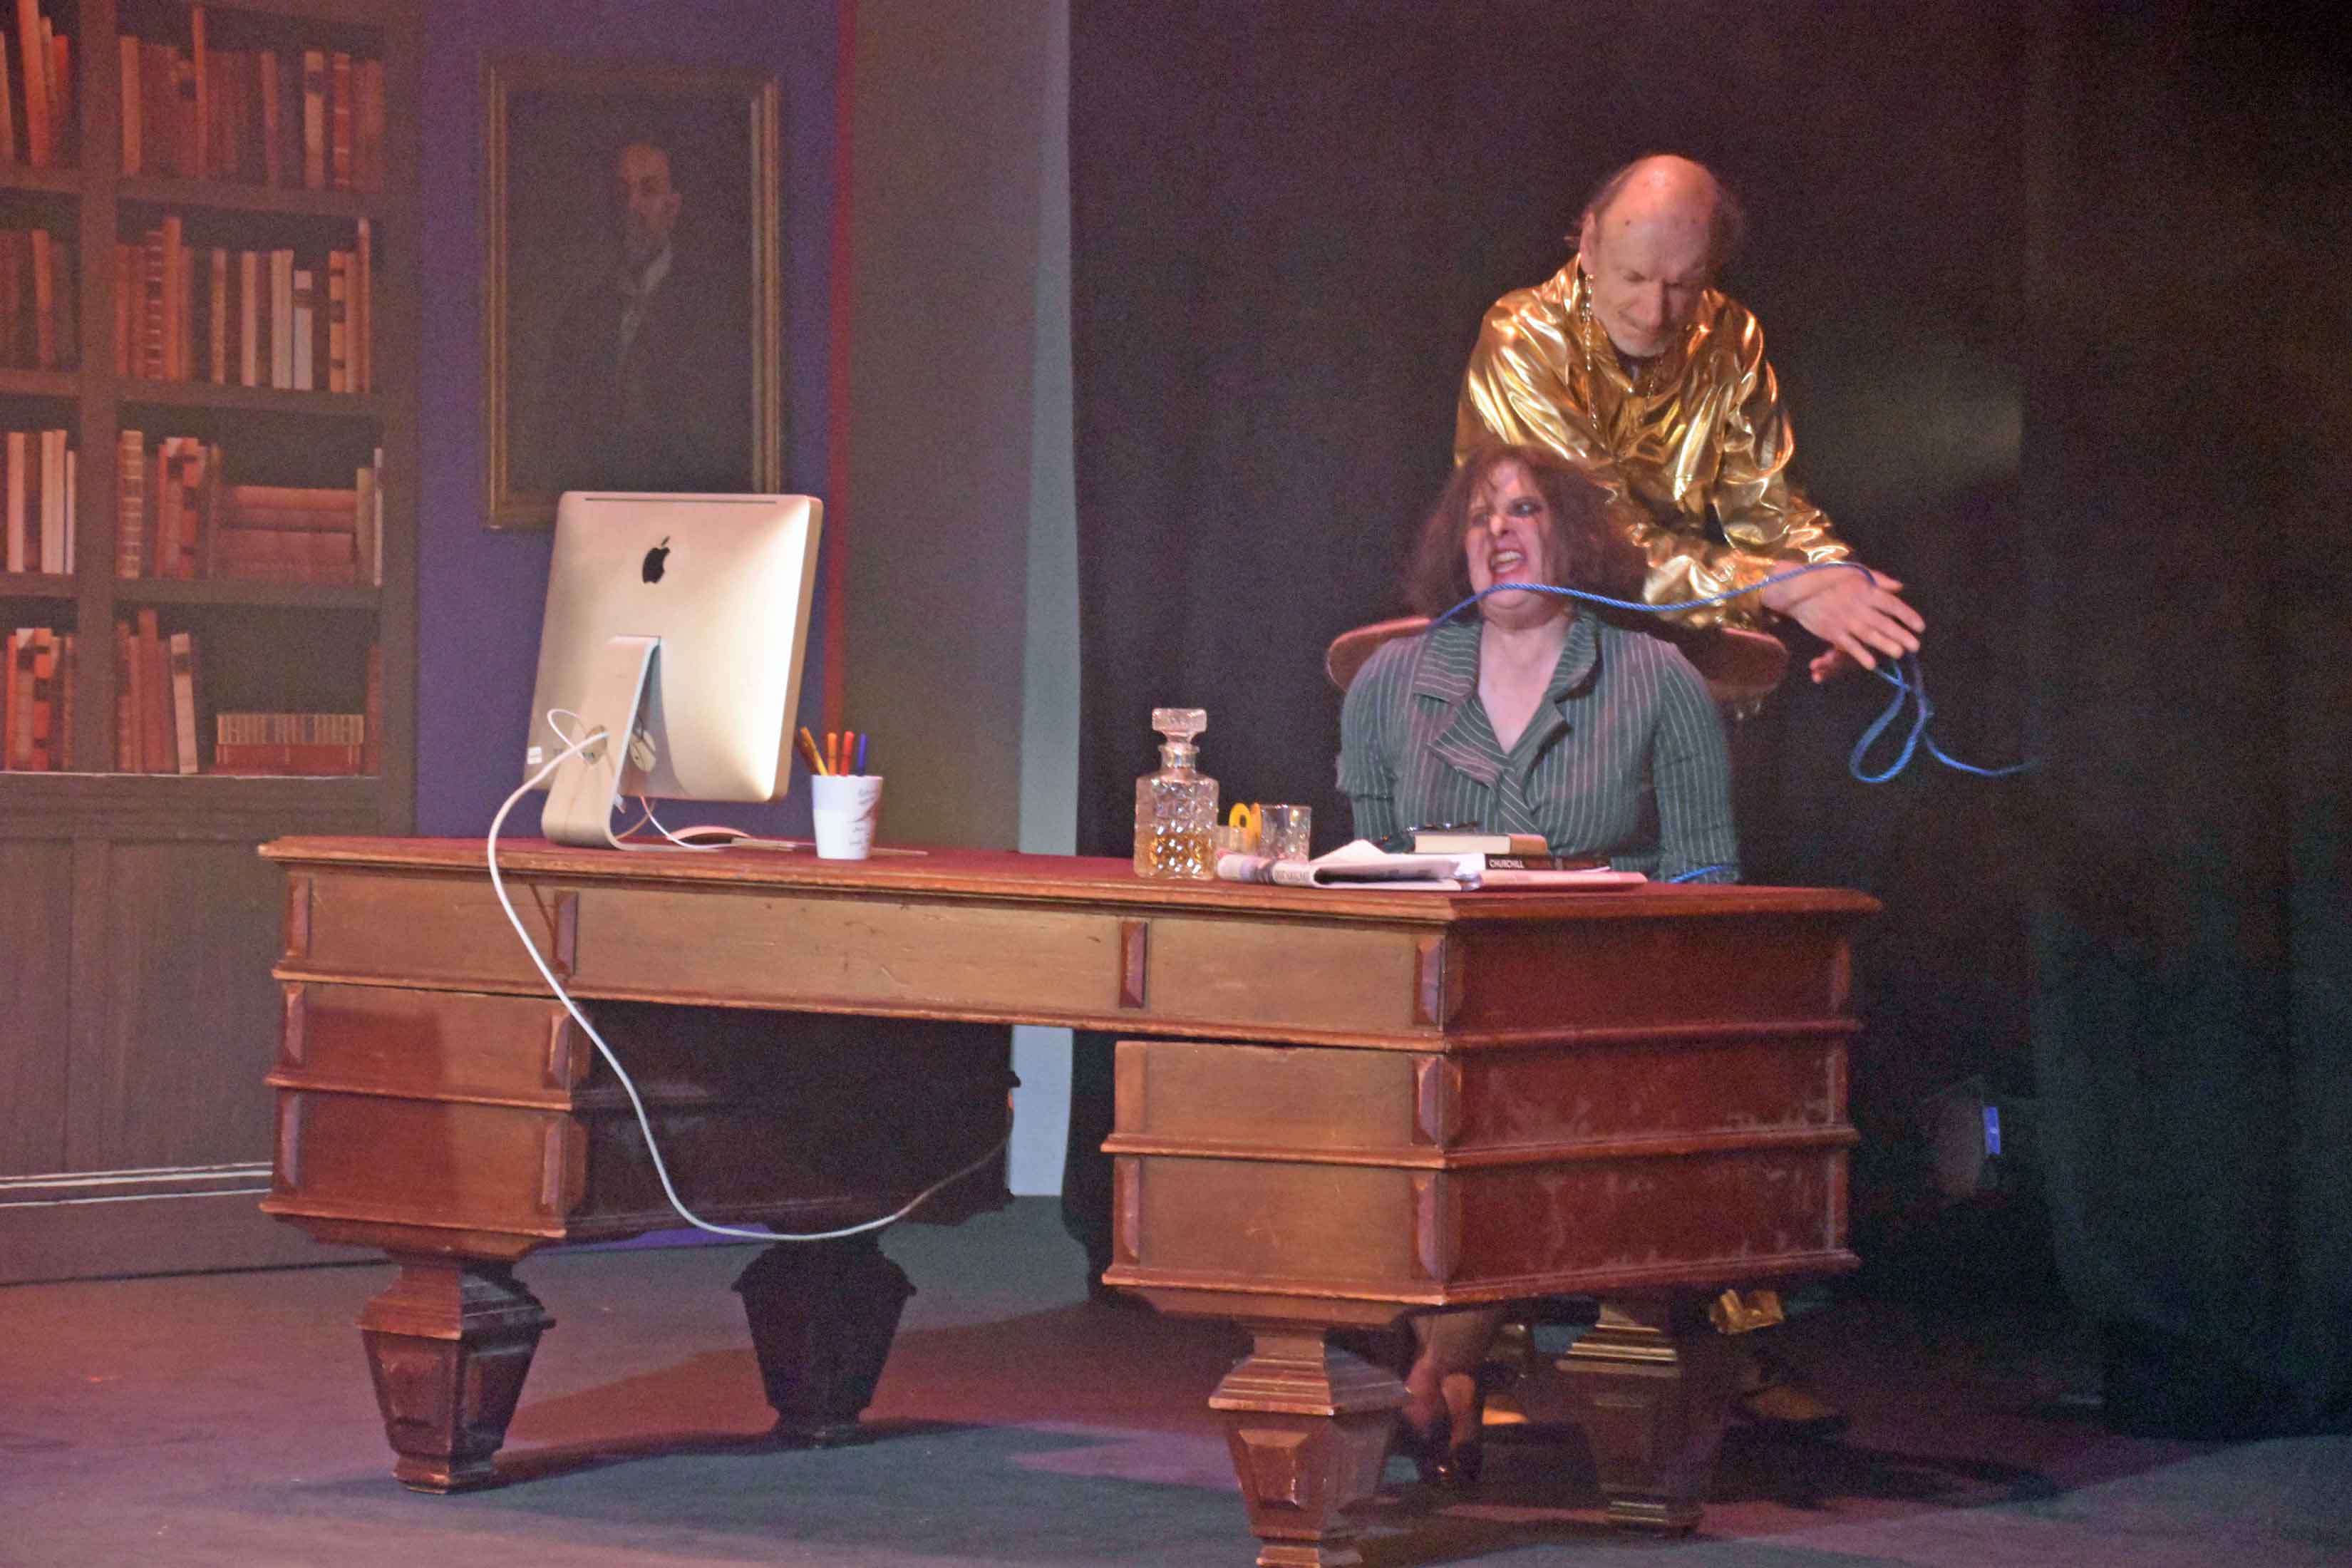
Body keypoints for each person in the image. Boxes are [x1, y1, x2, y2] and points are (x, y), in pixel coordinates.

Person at [1339, 443, 1738, 1485]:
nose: (1498, 532)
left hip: (1600, 1009)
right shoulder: (1392, 682)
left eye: (1524, 510)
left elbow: (1708, 878)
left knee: (1507, 1113)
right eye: (1479, 516)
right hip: (1429, 1003)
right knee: (1422, 1097)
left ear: (1574, 536)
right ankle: (1445, 1376)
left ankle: (1433, 1380)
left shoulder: (1654, 678)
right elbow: (1366, 872)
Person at [1456, 154, 1922, 683]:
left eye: (1682, 285)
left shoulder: (1731, 336)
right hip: (1538, 649)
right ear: (1588, 244)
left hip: (1673, 648)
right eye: (1633, 277)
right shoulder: (1521, 340)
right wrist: (1779, 588)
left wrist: (1843, 590)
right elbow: (1596, 544)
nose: (1654, 313)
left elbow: (1768, 510)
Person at [529, 139, 749, 495]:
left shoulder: (709, 314)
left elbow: (710, 446)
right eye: (623, 192)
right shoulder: (582, 319)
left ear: (672, 208)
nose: (632, 206)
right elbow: (557, 440)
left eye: (648, 190)